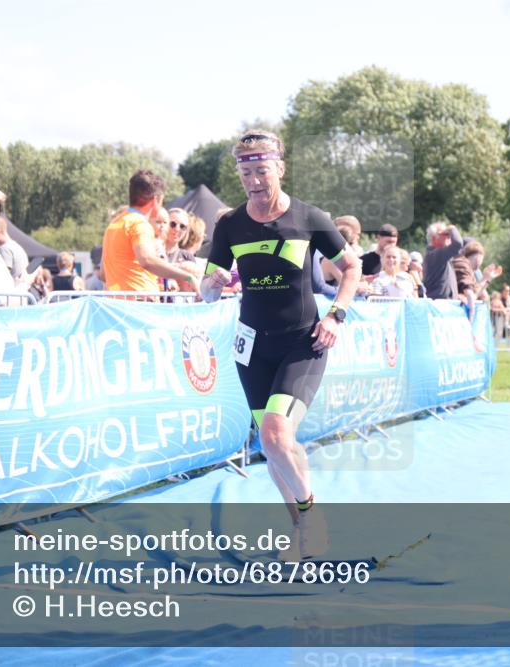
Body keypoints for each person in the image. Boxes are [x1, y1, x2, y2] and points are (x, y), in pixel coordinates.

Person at [200, 130, 361, 561]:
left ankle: (312, 517)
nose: (253, 179)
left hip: (303, 343)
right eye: (245, 171)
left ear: (280, 169)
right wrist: (212, 283)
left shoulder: (309, 217)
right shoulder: (230, 224)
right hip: (252, 348)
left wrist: (337, 315)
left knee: (274, 435)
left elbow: (351, 267)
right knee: (278, 445)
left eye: (261, 170)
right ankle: (302, 533)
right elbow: (208, 290)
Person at [101, 170, 198, 295]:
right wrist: (188, 276)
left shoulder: (114, 223)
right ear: (155, 200)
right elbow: (147, 260)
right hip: (140, 302)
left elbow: (103, 274)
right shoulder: (139, 224)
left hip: (118, 302)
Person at [423, 222, 462, 300]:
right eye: (446, 235)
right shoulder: (435, 255)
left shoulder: (440, 255)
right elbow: (457, 244)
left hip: (444, 304)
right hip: (439, 305)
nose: (450, 238)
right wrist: (451, 228)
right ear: (434, 238)